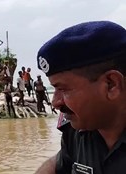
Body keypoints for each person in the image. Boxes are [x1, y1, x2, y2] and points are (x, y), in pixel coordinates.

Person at [35, 21, 126, 174]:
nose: (55, 102)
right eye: (54, 89)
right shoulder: (77, 129)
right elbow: (59, 164)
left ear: (111, 84)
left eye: (63, 89)